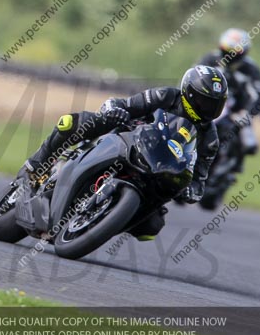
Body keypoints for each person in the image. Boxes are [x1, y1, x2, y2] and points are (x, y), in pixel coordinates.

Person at [21, 65, 228, 240]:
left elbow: (200, 177)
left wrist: (193, 190)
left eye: (215, 105)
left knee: (152, 228)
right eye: (205, 102)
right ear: (189, 92)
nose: (209, 109)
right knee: (70, 123)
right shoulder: (166, 96)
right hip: (125, 139)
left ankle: (98, 222)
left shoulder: (210, 138)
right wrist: (116, 111)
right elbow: (126, 104)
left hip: (158, 168)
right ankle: (37, 164)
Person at [199, 28, 260, 172]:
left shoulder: (251, 69)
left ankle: (233, 165)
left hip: (235, 113)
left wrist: (245, 113)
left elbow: (258, 98)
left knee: (248, 142)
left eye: (234, 52)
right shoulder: (210, 59)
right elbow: (191, 79)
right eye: (226, 49)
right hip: (206, 107)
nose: (229, 55)